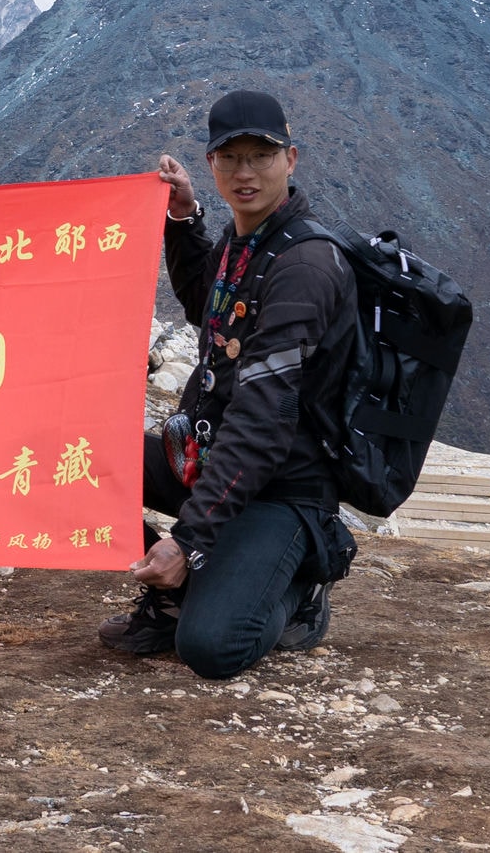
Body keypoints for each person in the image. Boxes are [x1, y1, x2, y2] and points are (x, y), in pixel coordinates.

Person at [100, 89, 359, 677]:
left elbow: (262, 420)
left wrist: (189, 541)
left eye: (260, 157)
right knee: (72, 462)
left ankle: (300, 584)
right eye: (229, 158)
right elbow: (206, 304)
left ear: (290, 160)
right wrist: (184, 214)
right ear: (212, 163)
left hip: (283, 485)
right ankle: (172, 596)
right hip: (212, 459)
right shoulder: (246, 242)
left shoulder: (305, 268)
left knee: (213, 648)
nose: (245, 173)